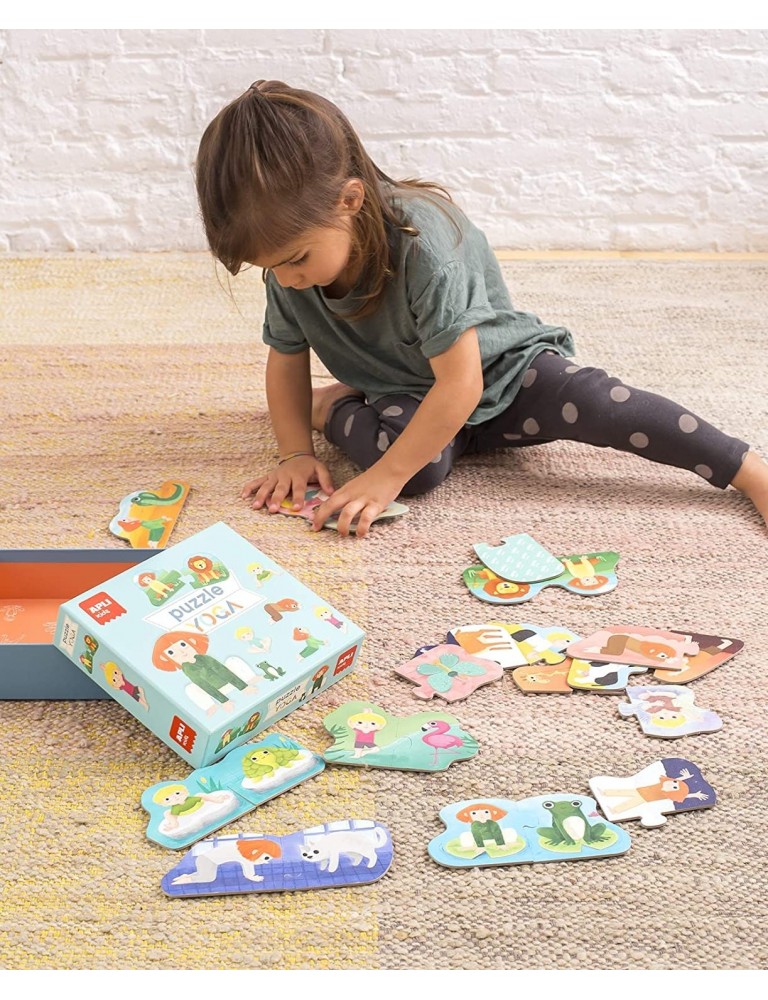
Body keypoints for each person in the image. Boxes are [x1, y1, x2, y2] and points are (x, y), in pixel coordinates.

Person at [195, 80, 768, 538]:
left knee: (603, 403)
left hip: (501, 374)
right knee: (417, 472)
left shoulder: (426, 244)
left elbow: (462, 383)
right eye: (271, 268)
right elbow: (286, 357)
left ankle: (749, 470)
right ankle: (339, 407)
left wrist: (384, 477)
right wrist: (295, 452)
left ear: (350, 200)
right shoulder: (288, 269)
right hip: (407, 393)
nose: (285, 280)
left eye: (295, 260)